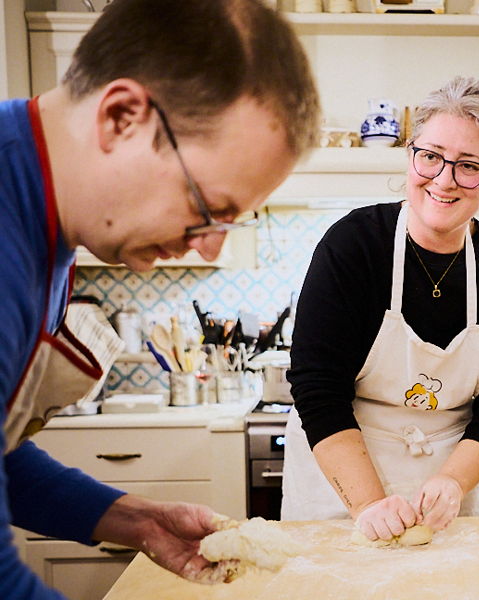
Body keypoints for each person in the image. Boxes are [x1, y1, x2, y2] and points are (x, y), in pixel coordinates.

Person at [0, 0, 319, 597]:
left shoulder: (49, 227)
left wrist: (138, 522)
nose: (207, 248)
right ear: (122, 117)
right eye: (208, 209)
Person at [282, 76, 479, 542]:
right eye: (431, 156)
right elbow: (317, 389)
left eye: (469, 166)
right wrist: (367, 504)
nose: (444, 179)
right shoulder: (353, 246)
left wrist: (453, 481)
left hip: (449, 487)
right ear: (410, 155)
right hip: (341, 485)